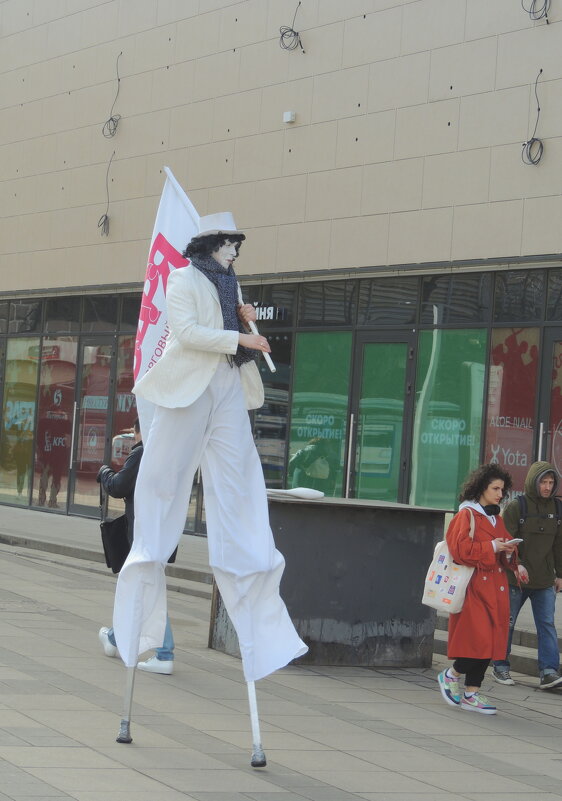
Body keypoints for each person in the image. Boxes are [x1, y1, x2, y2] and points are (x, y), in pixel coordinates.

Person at [112, 212, 307, 682]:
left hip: (227, 386)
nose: (235, 253)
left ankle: (255, 586)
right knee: (162, 484)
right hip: (189, 389)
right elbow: (186, 333)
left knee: (240, 482)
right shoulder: (182, 279)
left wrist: (246, 321)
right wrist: (238, 334)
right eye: (229, 245)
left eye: (236, 247)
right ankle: (141, 601)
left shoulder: (231, 285)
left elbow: (229, 334)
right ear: (209, 245)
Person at [437, 463, 519, 715]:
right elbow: (460, 552)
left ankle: (471, 692)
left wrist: (514, 559)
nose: (499, 494)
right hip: (474, 587)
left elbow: (502, 548)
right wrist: (493, 548)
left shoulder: (496, 517)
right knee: (481, 641)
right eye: (495, 488)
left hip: (494, 587)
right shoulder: (467, 515)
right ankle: (451, 675)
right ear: (482, 488)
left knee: (491, 641)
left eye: (502, 489)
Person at [97, 418, 175, 674]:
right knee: (142, 589)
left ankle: (164, 653)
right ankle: (115, 638)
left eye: (133, 432)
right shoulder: (169, 452)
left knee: (146, 589)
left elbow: (119, 487)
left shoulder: (143, 452)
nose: (132, 437)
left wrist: (105, 473)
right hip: (162, 531)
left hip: (144, 534)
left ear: (138, 430)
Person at [492, 461, 562, 690]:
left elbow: (559, 545)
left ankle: (549, 672)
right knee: (507, 622)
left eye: (551, 483)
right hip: (515, 579)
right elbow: (506, 542)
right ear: (534, 481)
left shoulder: (558, 508)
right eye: (544, 482)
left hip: (544, 580)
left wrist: (560, 574)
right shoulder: (516, 507)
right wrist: (517, 565)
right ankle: (500, 666)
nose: (548, 487)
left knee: (547, 625)